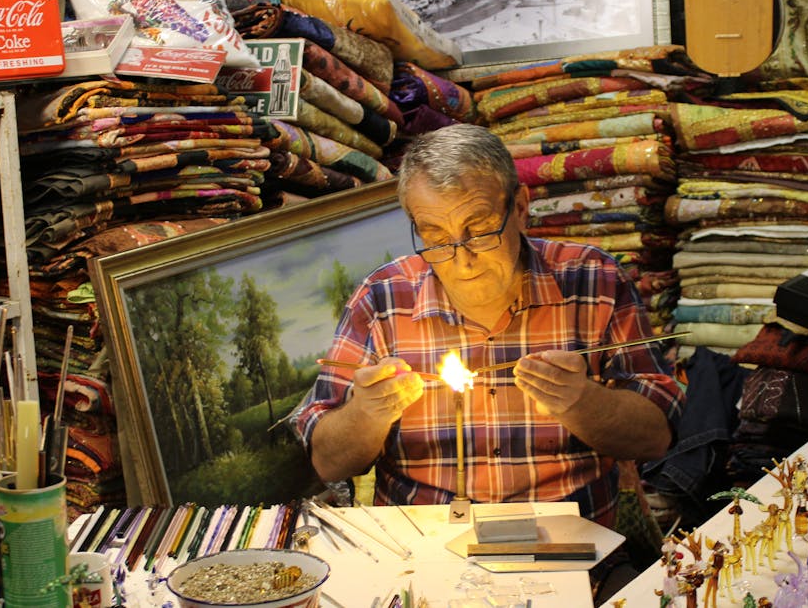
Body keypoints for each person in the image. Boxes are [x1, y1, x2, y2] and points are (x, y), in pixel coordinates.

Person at [292, 123, 684, 596]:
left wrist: (583, 403)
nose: (460, 259)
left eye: (477, 230)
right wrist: (367, 413)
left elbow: (658, 436)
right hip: (422, 560)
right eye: (435, 236)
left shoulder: (592, 280)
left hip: (574, 558)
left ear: (519, 209)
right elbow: (328, 461)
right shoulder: (382, 298)